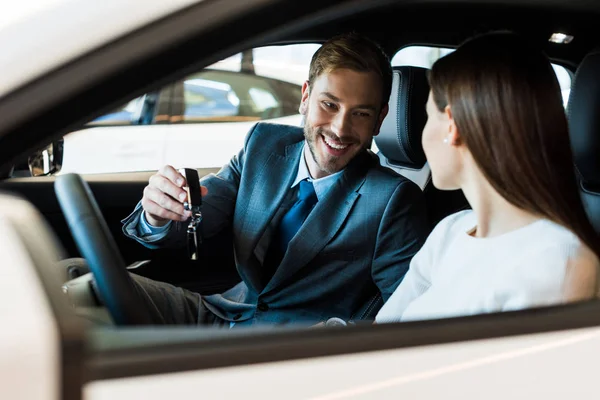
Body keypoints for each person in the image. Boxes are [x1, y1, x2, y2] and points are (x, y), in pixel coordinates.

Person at [121, 32, 429, 327]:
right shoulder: (264, 144)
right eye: (330, 105)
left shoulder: (393, 199)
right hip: (224, 312)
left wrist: (341, 331)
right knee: (90, 287)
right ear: (305, 97)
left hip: (289, 351)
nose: (340, 128)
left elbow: (408, 312)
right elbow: (195, 217)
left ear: (379, 119)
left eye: (360, 113)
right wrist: (157, 214)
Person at [376, 32, 600, 324]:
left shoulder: (557, 262)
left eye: (429, 116)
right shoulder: (451, 230)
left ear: (452, 126)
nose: (422, 134)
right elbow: (382, 332)